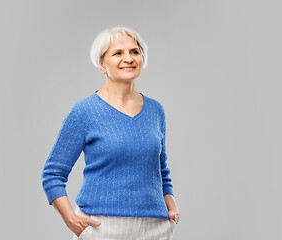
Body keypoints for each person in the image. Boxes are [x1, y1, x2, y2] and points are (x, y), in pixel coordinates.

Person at [41, 26, 180, 240]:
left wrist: (170, 205)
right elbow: (52, 174)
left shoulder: (155, 110)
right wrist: (70, 219)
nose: (129, 58)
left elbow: (160, 168)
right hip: (102, 227)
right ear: (102, 64)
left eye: (135, 51)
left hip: (155, 226)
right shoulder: (84, 112)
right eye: (118, 53)